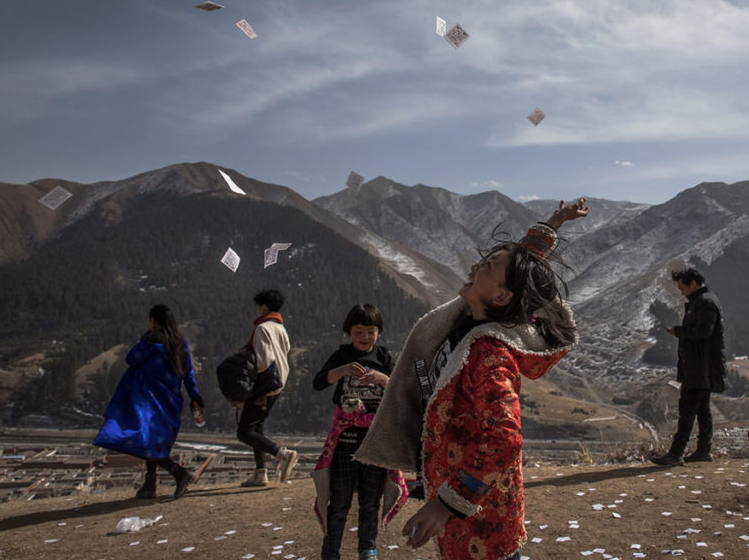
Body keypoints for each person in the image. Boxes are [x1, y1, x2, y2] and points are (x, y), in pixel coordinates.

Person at [354, 199, 589, 560]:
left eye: (487, 266)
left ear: (501, 296)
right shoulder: (473, 314)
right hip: (466, 499)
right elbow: (522, 261)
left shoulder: (489, 356)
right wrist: (556, 221)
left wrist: (447, 504)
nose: (477, 266)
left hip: (483, 514)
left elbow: (504, 439)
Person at [312, 304, 406, 560]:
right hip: (345, 440)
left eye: (370, 331)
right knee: (339, 502)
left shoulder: (385, 358)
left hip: (376, 440)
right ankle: (330, 551)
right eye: (358, 331)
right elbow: (318, 382)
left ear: (380, 332)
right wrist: (342, 371)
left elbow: (401, 389)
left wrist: (383, 380)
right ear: (348, 332)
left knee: (370, 501)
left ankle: (368, 549)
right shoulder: (341, 356)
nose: (364, 337)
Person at [93, 304, 204, 500]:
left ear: (154, 321)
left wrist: (145, 338)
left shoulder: (150, 344)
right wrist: (194, 396)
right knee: (154, 442)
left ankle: (178, 473)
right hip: (170, 401)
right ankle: (149, 484)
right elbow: (189, 373)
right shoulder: (181, 343)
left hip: (148, 401)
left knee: (145, 441)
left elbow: (130, 358)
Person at [651, 266, 726, 466]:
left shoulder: (705, 304)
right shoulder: (702, 302)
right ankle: (703, 450)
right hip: (700, 365)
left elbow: (703, 331)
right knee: (702, 410)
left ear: (693, 284)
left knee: (687, 409)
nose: (681, 291)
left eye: (683, 287)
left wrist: (680, 332)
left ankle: (676, 453)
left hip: (700, 366)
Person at [236, 288, 298, 487]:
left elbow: (264, 360)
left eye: (258, 306)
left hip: (263, 385)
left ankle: (282, 453)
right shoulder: (281, 327)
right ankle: (260, 471)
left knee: (244, 432)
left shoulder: (263, 328)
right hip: (278, 382)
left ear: (264, 307)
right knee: (257, 427)